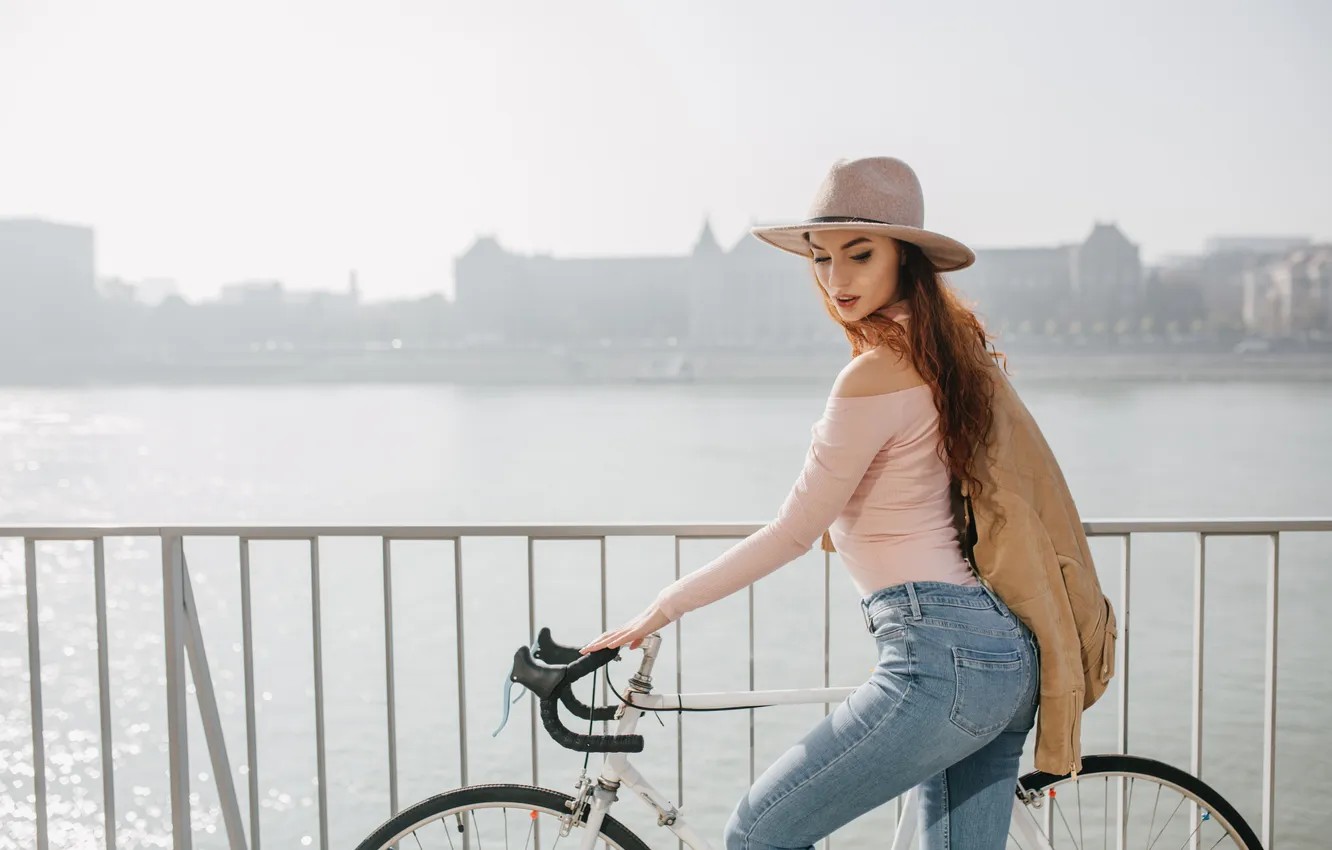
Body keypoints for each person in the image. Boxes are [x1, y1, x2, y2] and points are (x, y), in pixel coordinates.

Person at [581, 156, 1040, 849]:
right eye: (823, 258)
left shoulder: (874, 374)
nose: (836, 278)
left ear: (904, 259)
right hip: (1000, 656)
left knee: (756, 834)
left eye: (860, 255)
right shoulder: (945, 356)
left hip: (938, 658)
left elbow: (794, 532)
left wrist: (664, 604)